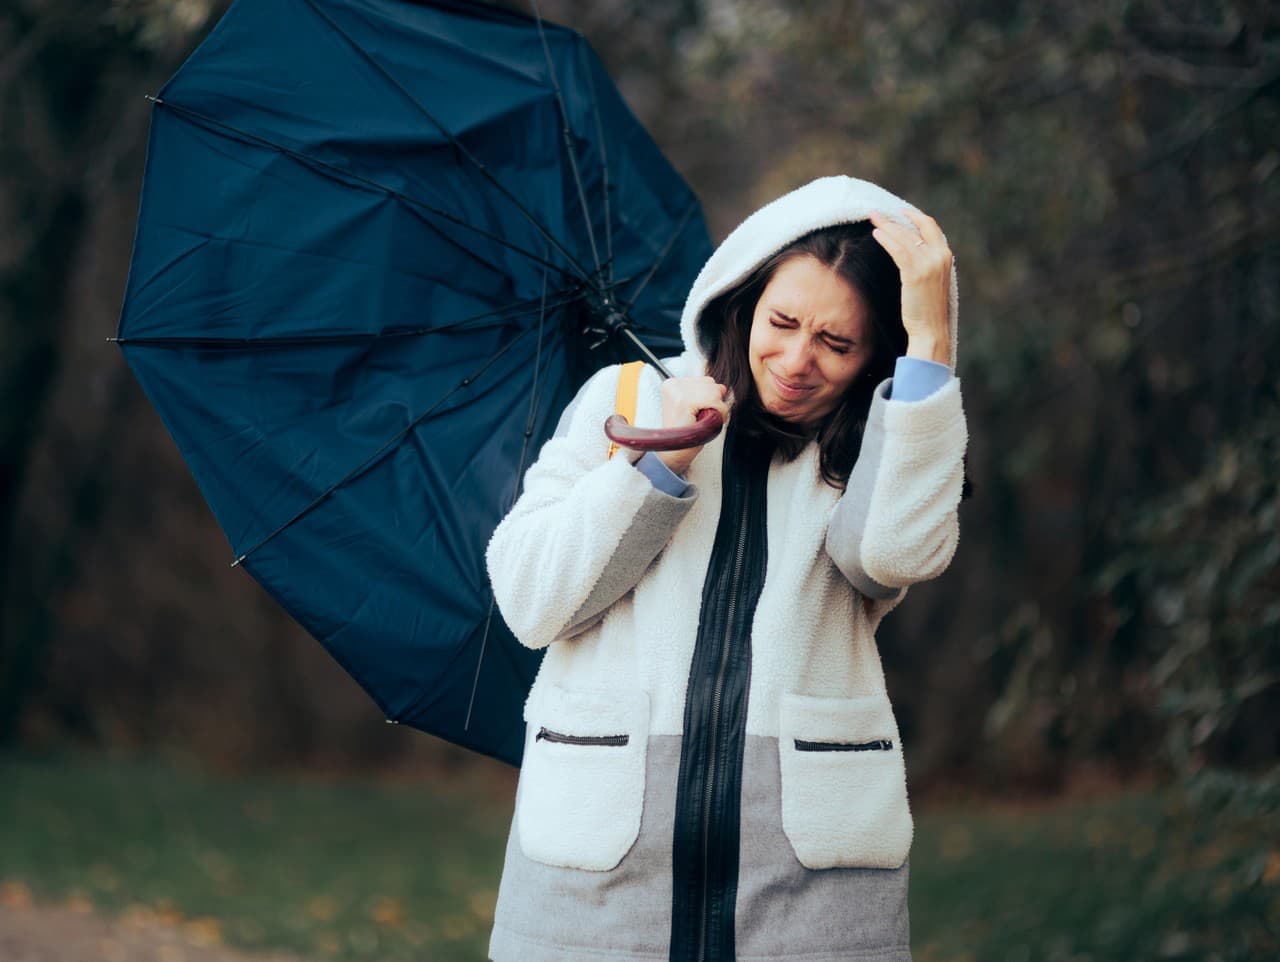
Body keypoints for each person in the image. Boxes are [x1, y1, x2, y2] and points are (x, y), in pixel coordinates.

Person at [484, 175, 967, 962]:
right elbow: (532, 600)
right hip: (600, 885)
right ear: (745, 298)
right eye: (782, 322)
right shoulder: (628, 398)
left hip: (808, 890)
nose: (796, 360)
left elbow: (894, 555)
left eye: (837, 344)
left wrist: (932, 351)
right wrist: (657, 463)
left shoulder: (876, 444)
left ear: (877, 352)